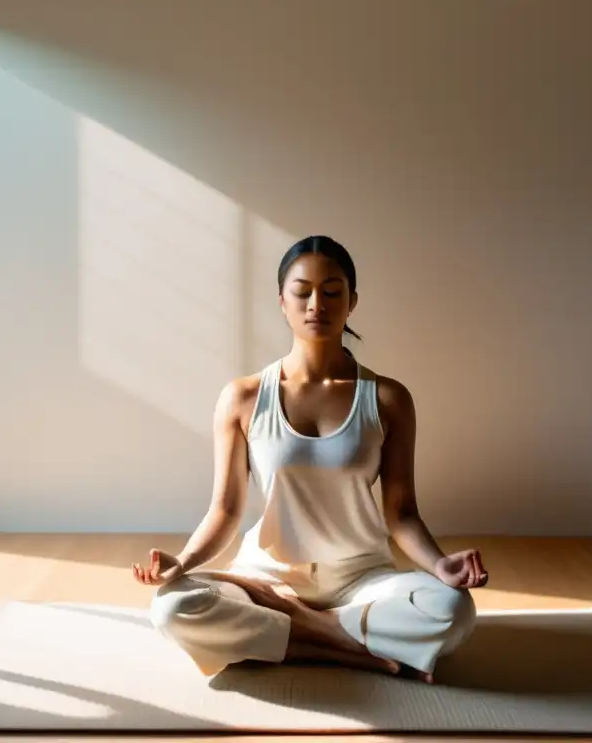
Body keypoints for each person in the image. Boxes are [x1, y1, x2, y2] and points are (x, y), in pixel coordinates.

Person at [133, 235, 487, 683]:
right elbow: (224, 511)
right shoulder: (243, 398)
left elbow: (402, 513)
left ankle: (297, 632)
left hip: (361, 580)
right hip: (265, 579)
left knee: (453, 610)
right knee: (171, 607)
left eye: (332, 291)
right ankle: (345, 647)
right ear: (282, 301)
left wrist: (439, 565)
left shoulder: (388, 399)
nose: (316, 303)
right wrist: (182, 563)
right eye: (302, 291)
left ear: (352, 301)